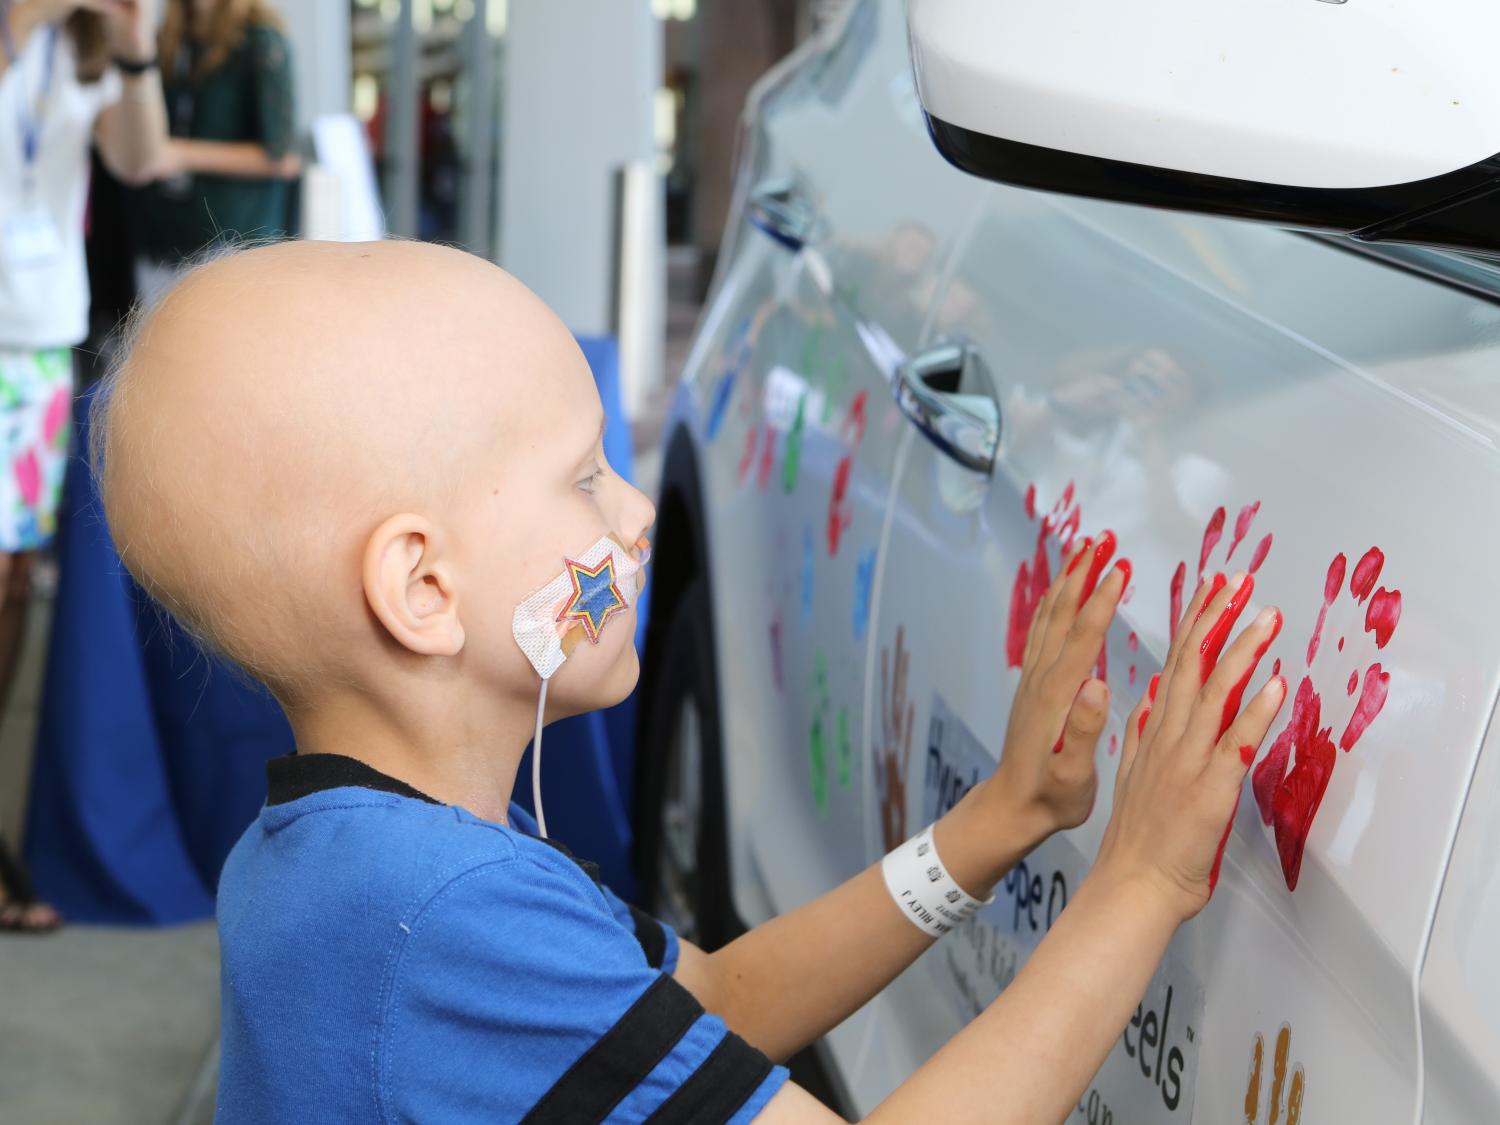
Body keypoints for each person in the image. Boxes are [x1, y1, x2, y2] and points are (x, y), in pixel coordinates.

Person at [91, 239, 1286, 1122]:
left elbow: (703, 1007)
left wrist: (995, 823)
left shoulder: (348, 850)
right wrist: (1138, 883)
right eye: (583, 478)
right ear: (423, 589)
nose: (633, 520)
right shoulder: (438, 918)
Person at [0, 0, 168, 933]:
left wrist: (137, 50)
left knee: (13, 581)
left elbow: (141, 158)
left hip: (35, 339)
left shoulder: (88, 44)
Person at [131, 0, 296, 295]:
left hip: (233, 241)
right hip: (164, 240)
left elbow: (282, 156)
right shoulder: (167, 39)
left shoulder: (260, 39)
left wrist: (179, 155)